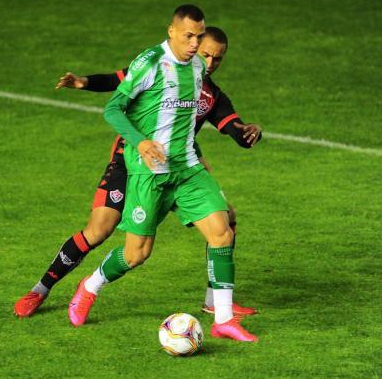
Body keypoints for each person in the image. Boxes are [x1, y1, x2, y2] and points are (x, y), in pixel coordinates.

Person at [14, 26, 261, 319]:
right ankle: (40, 289)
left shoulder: (210, 95)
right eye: (204, 53)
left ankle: (215, 301)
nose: (209, 63)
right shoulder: (160, 65)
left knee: (225, 221)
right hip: (130, 160)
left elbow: (233, 127)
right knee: (99, 229)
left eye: (217, 59)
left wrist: (248, 132)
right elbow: (121, 80)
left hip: (175, 168)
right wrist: (84, 82)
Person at [66, 4, 258, 342]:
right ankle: (89, 286)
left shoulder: (198, 67)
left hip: (186, 170)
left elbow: (200, 117)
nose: (196, 44)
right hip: (149, 173)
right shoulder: (150, 63)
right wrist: (139, 142)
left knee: (222, 230)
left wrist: (239, 133)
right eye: (189, 36)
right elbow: (113, 108)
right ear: (171, 31)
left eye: (199, 37)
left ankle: (223, 319)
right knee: (136, 254)